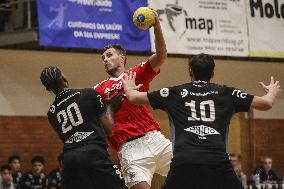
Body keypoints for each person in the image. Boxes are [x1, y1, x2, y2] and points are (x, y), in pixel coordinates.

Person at [122, 53, 282, 189]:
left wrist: (128, 87)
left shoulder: (174, 93)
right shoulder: (228, 93)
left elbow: (133, 98)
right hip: (218, 164)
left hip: (184, 164)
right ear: (212, 73)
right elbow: (266, 103)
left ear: (190, 71)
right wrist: (273, 91)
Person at [94, 12, 172, 189]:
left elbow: (161, 55)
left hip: (155, 139)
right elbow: (99, 122)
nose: (105, 60)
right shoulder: (98, 89)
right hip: (130, 148)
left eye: (109, 55)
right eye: (103, 58)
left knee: (194, 172)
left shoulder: (135, 73)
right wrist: (109, 107)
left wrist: (157, 25)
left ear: (122, 57)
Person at [40, 66, 127, 189]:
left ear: (48, 89)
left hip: (69, 159)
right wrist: (110, 107)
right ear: (63, 78)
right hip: (93, 152)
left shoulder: (51, 113)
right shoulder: (88, 93)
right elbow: (109, 129)